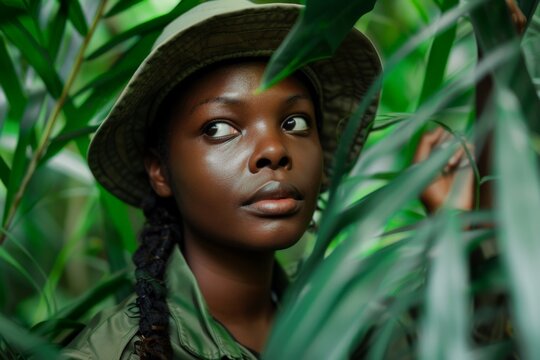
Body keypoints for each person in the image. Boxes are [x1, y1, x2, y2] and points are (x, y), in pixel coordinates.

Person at [62, 0, 518, 357]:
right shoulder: (114, 354)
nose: (274, 151)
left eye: (296, 123)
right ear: (159, 170)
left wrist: (463, 224)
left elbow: (482, 337)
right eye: (220, 128)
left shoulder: (351, 331)